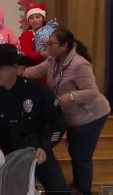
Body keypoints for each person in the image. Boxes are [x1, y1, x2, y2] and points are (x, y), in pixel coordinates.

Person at [0, 44, 69, 194]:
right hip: (7, 153)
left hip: (37, 149)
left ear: (14, 68)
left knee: (58, 190)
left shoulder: (36, 90)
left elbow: (59, 122)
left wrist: (46, 147)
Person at [24, 29, 111, 195]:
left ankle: (83, 190)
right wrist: (17, 73)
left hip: (90, 115)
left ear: (64, 46)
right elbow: (36, 71)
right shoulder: (53, 60)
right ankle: (79, 184)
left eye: (52, 43)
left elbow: (92, 92)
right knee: (75, 151)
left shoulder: (79, 64)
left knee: (81, 154)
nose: (47, 45)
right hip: (73, 116)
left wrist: (70, 96)